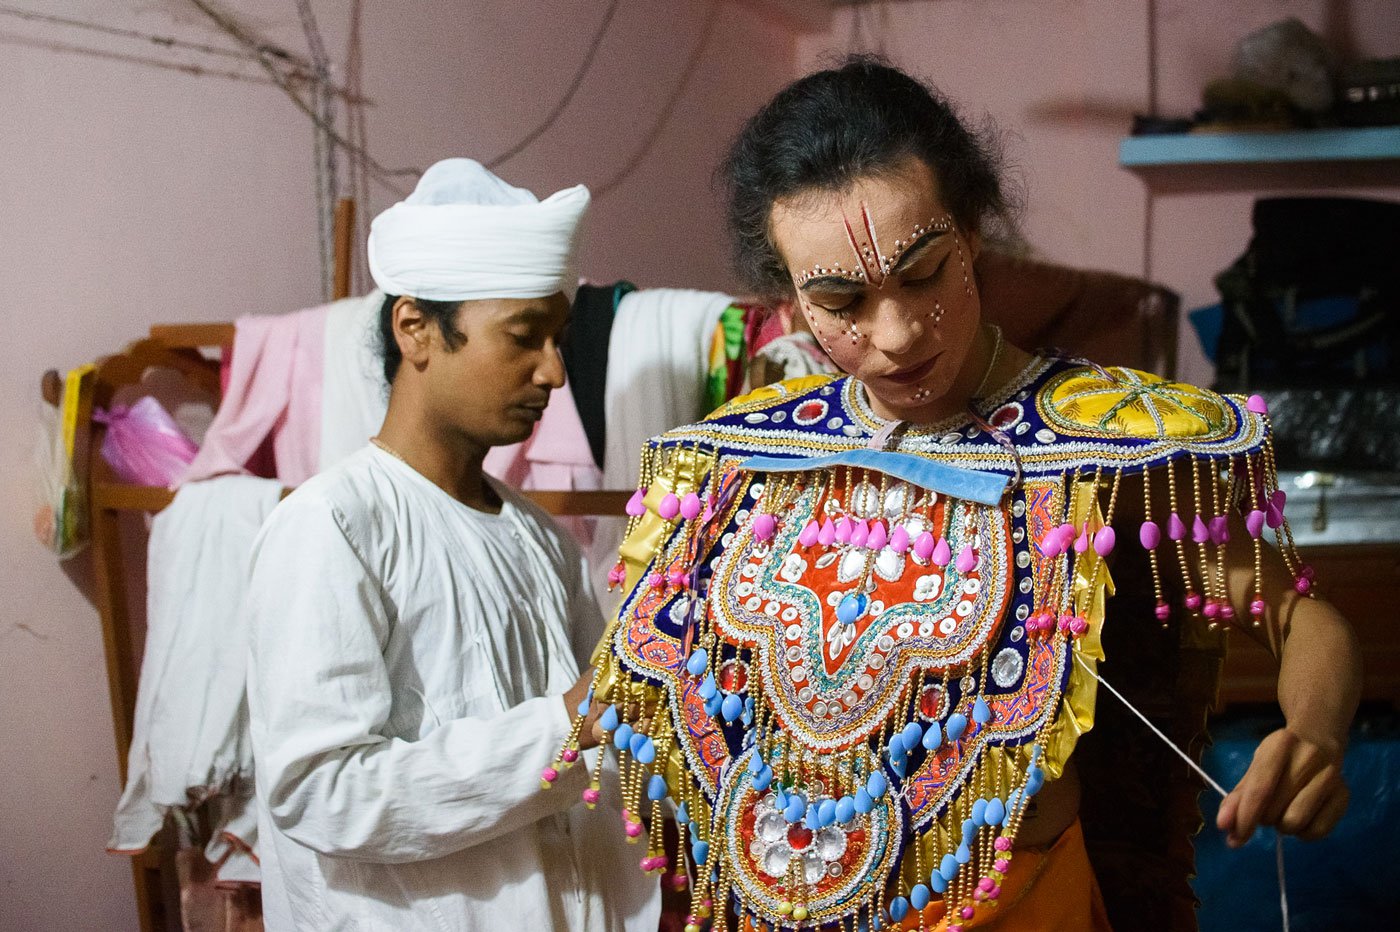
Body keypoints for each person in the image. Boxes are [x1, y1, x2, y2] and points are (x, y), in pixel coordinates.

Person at [547, 59, 1361, 931]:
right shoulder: (748, 455)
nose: (894, 336)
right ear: (786, 300)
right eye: (843, 300)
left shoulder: (1102, 444)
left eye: (925, 274)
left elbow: (1298, 616)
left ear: (973, 232)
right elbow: (633, 677)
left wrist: (1312, 733)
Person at [245, 158, 659, 931]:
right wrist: (564, 726)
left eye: (558, 338)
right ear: (416, 330)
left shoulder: (542, 541)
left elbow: (602, 751)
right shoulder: (333, 527)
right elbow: (319, 791)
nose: (554, 371)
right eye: (524, 337)